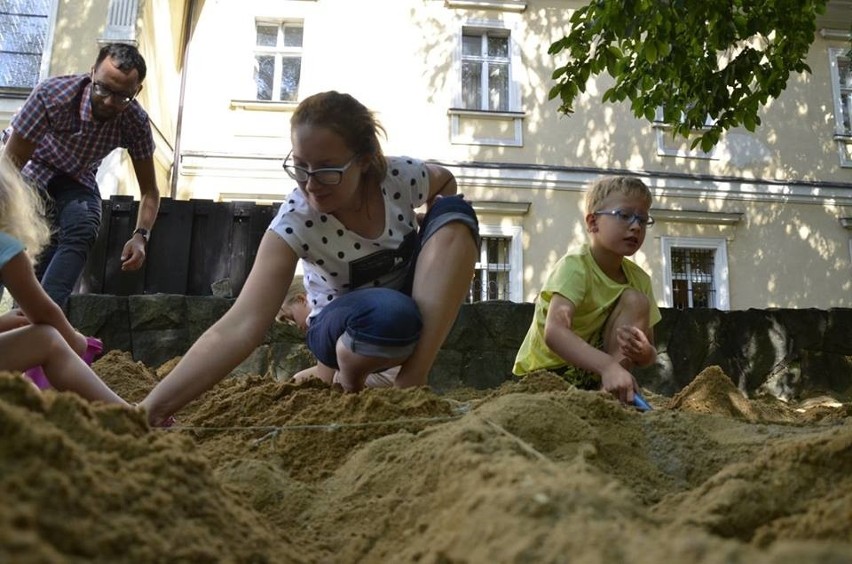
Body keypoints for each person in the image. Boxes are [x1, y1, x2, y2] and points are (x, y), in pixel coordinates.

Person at [139, 91, 480, 426]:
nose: (311, 185)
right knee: (391, 314)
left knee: (456, 213)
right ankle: (344, 369)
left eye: (327, 170)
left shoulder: (399, 176)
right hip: (340, 322)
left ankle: (411, 380)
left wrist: (428, 226)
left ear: (364, 160)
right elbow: (241, 323)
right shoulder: (294, 221)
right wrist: (151, 408)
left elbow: (445, 182)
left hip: (406, 296)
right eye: (301, 168)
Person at [1, 42, 161, 308]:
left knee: (84, 221)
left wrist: (140, 236)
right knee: (13, 235)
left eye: (122, 96)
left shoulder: (135, 122)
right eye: (103, 89)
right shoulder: (53, 95)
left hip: (76, 176)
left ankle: (41, 321)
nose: (109, 102)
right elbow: (9, 169)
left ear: (137, 91)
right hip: (30, 166)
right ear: (92, 73)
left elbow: (149, 192)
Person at [512, 175, 661, 407]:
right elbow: (554, 331)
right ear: (593, 223)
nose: (636, 226)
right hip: (548, 375)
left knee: (637, 301)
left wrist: (644, 353)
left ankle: (607, 400)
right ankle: (608, 389)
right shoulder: (575, 267)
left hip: (596, 377)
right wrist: (608, 365)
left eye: (642, 219)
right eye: (624, 215)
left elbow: (650, 351)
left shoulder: (639, 280)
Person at [0, 155, 129, 405]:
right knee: (47, 338)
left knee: (23, 389)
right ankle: (126, 415)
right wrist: (75, 340)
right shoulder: (5, 246)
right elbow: (44, 312)